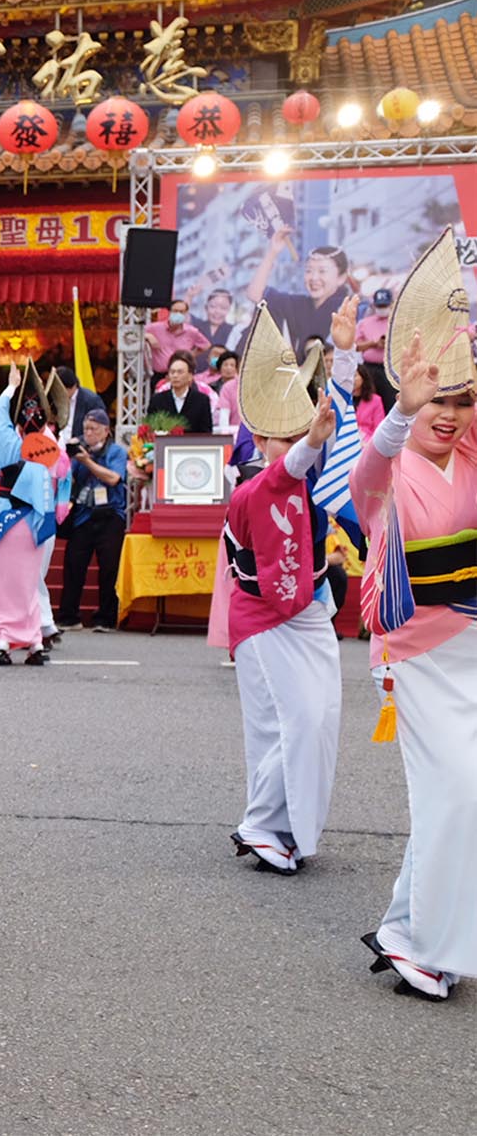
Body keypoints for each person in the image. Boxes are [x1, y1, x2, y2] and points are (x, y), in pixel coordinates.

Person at [348, 230, 477, 999]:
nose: (450, 414)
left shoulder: (470, 458)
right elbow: (363, 475)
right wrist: (401, 408)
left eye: (462, 400)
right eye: (440, 400)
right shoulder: (389, 468)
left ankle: (406, 927)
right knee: (453, 790)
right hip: (412, 655)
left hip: (473, 645)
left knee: (463, 794)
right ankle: (425, 944)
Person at [223, 302, 341, 877]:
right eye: (281, 435)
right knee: (281, 721)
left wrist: (338, 378)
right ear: (258, 437)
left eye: (300, 431)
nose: (291, 443)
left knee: (318, 719)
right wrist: (309, 442)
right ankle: (260, 824)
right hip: (262, 616)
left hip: (311, 609)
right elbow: (285, 471)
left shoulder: (315, 475)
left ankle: (288, 825)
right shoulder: (254, 485)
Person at [0, 367, 63, 666]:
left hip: (5, 517)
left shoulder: (6, 441)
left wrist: (11, 389)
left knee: (2, 581)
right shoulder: (48, 446)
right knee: (30, 581)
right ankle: (34, 642)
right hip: (34, 519)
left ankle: (3, 639)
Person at [55, 409, 128, 633]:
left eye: (94, 429)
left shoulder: (116, 451)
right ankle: (69, 616)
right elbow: (68, 479)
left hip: (110, 514)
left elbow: (113, 478)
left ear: (106, 431)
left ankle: (105, 617)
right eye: (86, 429)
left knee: (109, 568)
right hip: (84, 514)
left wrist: (87, 461)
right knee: (73, 564)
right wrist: (68, 456)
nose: (89, 433)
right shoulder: (80, 452)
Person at [244, 236, 355, 356]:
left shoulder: (350, 309)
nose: (314, 277)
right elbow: (255, 295)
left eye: (322, 271)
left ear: (341, 277)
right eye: (308, 270)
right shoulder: (299, 305)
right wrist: (273, 252)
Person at [143, 299, 211, 381]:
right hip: (160, 375)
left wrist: (190, 355)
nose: (178, 314)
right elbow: (133, 333)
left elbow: (206, 345)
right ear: (169, 312)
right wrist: (148, 336)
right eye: (175, 311)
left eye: (182, 312)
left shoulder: (191, 331)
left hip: (181, 374)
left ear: (186, 313)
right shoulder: (155, 328)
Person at [148, 353, 215, 434]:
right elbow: (150, 429)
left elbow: (206, 432)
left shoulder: (202, 400)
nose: (175, 376)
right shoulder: (157, 400)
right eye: (172, 372)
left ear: (190, 376)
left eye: (180, 372)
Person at [354, 287, 398, 409]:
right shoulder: (365, 323)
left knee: (391, 402)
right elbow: (355, 346)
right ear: (373, 305)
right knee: (369, 401)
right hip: (370, 369)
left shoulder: (398, 322)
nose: (382, 309)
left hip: (391, 368)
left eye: (385, 306)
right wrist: (373, 343)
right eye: (380, 306)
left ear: (391, 304)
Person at [53, 366, 105, 442]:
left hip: (79, 447)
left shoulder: (91, 400)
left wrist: (79, 439)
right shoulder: (55, 400)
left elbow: (100, 429)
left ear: (71, 387)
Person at [353, 362, 386, 439]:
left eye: (354, 376)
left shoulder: (376, 400)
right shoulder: (344, 400)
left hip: (368, 442)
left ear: (363, 378)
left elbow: (379, 427)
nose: (351, 379)